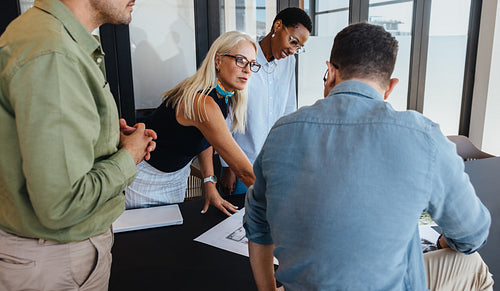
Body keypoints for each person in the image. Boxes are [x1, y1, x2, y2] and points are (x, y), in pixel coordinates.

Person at [243, 23, 494, 290]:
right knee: (473, 265)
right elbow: (473, 232)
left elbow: (257, 226)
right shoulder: (422, 135)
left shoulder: (282, 131)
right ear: (390, 87)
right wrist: (447, 242)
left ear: (330, 72)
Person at [0, 0, 156, 290]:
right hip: (55, 258)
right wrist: (128, 155)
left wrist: (109, 139)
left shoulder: (51, 39)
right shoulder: (54, 52)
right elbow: (61, 204)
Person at [125, 31, 259, 216]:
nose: (248, 70)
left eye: (252, 64)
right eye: (240, 60)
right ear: (218, 61)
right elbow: (244, 172)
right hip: (148, 177)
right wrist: (283, 205)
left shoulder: (221, 95)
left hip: (177, 175)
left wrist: (209, 184)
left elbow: (205, 138)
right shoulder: (202, 102)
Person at [219, 7, 312, 195]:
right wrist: (227, 166)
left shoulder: (288, 62)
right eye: (292, 41)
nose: (293, 50)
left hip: (273, 162)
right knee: (236, 220)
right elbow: (226, 112)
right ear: (278, 26)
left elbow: (288, 109)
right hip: (240, 161)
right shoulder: (245, 57)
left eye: (298, 47)